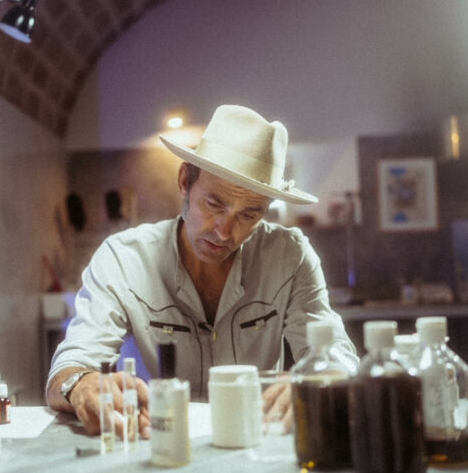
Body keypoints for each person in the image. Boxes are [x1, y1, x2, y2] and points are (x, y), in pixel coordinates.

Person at [45, 104, 359, 439]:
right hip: (162, 441)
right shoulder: (122, 259)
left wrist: (321, 376)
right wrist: (82, 384)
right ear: (185, 182)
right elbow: (69, 365)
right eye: (214, 204)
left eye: (248, 215)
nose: (225, 231)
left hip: (256, 442)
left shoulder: (289, 256)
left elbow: (338, 353)